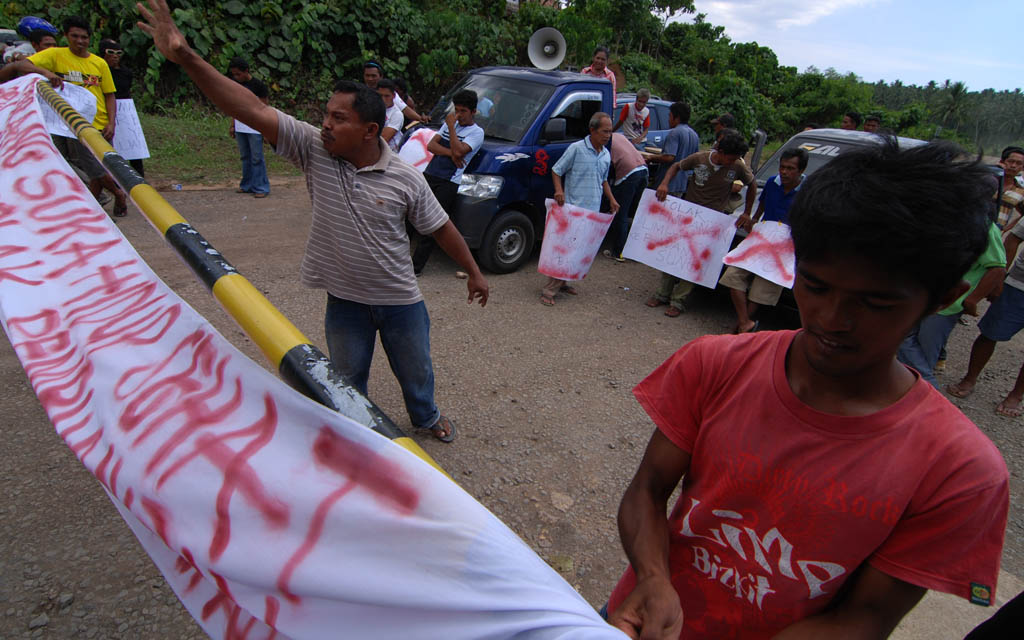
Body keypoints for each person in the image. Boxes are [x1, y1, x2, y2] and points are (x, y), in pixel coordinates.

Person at [607, 140, 1009, 640]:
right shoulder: (715, 363)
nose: (832, 319)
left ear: (943, 299)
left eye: (876, 303)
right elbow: (648, 490)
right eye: (815, 287)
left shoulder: (960, 471)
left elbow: (867, 617)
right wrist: (652, 578)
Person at [137, 0, 489, 443]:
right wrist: (186, 56)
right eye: (325, 114)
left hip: (400, 300)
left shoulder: (405, 178)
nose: (325, 125)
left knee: (416, 372)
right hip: (344, 301)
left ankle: (426, 417)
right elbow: (250, 109)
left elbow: (440, 227)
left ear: (369, 130)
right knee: (346, 380)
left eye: (338, 118)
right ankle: (357, 438)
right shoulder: (314, 150)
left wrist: (474, 272)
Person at [645, 130, 756, 317]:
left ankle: (678, 301)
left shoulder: (737, 166)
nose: (732, 162)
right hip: (688, 216)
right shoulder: (699, 159)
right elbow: (676, 167)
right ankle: (662, 294)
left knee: (695, 262)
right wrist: (664, 183)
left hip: (713, 222)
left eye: (735, 159)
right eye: (730, 158)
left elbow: (752, 184)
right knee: (673, 255)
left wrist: (747, 212)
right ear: (720, 151)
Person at [28, 15, 129, 217]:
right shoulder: (55, 55)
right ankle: (108, 200)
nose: (80, 41)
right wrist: (46, 74)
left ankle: (103, 203)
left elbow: (110, 95)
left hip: (98, 124)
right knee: (89, 167)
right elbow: (24, 65)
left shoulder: (99, 63)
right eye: (75, 36)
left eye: (84, 37)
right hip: (71, 124)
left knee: (98, 167)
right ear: (66, 36)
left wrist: (111, 123)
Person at [898, 219, 1005, 388]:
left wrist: (972, 299)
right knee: (903, 340)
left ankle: (927, 389)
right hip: (922, 294)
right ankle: (917, 387)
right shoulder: (942, 214)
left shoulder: (985, 226)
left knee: (924, 352)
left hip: (946, 304)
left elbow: (998, 267)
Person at [720, 147, 808, 334]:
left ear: (801, 171)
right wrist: (754, 220)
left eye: (790, 168)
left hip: (785, 247)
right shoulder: (772, 183)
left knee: (763, 287)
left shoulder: (809, 191)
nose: (784, 172)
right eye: (782, 167)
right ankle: (744, 322)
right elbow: (762, 204)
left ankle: (741, 325)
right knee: (732, 276)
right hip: (762, 238)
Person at [946, 213, 1024, 416]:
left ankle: (1016, 395)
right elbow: (1014, 239)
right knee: (990, 333)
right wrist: (999, 278)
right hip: (1018, 286)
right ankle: (970, 378)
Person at [542, 112, 619, 306]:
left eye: (610, 131)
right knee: (565, 251)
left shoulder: (605, 154)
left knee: (579, 250)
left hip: (591, 212)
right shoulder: (576, 148)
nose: (608, 135)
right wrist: (559, 190)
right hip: (573, 210)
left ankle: (564, 282)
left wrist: (611, 199)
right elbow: (556, 170)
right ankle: (549, 290)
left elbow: (603, 180)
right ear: (592, 130)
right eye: (604, 131)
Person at [412, 89, 485, 275]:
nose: (458, 115)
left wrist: (452, 129)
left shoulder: (476, 132)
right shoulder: (448, 124)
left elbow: (460, 151)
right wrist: (451, 153)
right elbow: (432, 145)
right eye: (457, 110)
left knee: (433, 224)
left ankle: (416, 267)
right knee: (413, 214)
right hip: (431, 173)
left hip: (449, 181)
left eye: (463, 111)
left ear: (473, 112)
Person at [227, 57, 270, 198]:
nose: (236, 77)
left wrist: (265, 128)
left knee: (257, 157)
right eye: (234, 74)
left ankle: (261, 187)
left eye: (238, 74)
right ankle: (247, 184)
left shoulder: (258, 86)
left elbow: (264, 108)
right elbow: (234, 106)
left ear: (246, 71)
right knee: (245, 156)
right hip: (241, 125)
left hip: (254, 126)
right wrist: (233, 124)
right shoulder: (235, 84)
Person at [99, 38, 144, 177]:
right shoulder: (100, 70)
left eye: (118, 53)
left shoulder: (126, 72)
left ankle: (139, 176)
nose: (115, 56)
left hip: (125, 111)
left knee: (133, 146)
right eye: (111, 52)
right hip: (106, 109)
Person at [603, 132, 649, 262]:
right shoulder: (619, 135)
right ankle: (637, 252)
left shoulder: (605, 141)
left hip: (628, 174)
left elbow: (606, 167)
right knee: (637, 214)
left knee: (621, 213)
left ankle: (618, 252)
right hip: (643, 169)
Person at [646, 101, 698, 199]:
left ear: (676, 118)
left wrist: (651, 158)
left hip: (668, 184)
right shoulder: (694, 134)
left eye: (670, 116)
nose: (668, 120)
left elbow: (669, 157)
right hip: (682, 184)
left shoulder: (675, 133)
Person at [995, 146, 1024, 229]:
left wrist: (1005, 229)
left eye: (1019, 163)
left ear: (1023, 167)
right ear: (1002, 162)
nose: (1013, 166)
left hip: (995, 233)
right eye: (1010, 161)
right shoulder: (986, 181)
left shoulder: (1020, 191)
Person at [376, 78, 404, 152]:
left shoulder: (396, 114)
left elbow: (384, 138)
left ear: (394, 96)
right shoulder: (371, 108)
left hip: (390, 153)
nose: (383, 99)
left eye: (387, 96)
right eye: (380, 95)